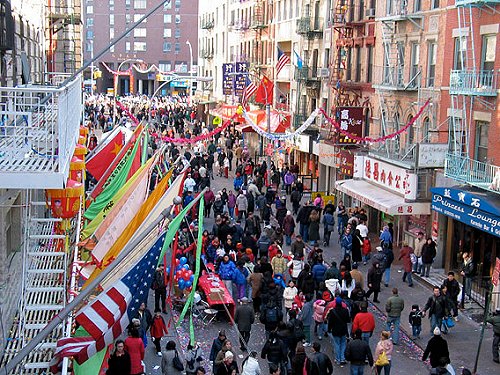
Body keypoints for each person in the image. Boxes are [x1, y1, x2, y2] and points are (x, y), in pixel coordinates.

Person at [327, 296, 350, 365]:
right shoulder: (345, 311)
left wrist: (329, 329)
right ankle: (343, 358)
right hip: (343, 330)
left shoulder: (332, 311)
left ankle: (338, 359)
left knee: (337, 344)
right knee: (343, 344)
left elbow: (330, 322)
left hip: (335, 330)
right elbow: (348, 320)